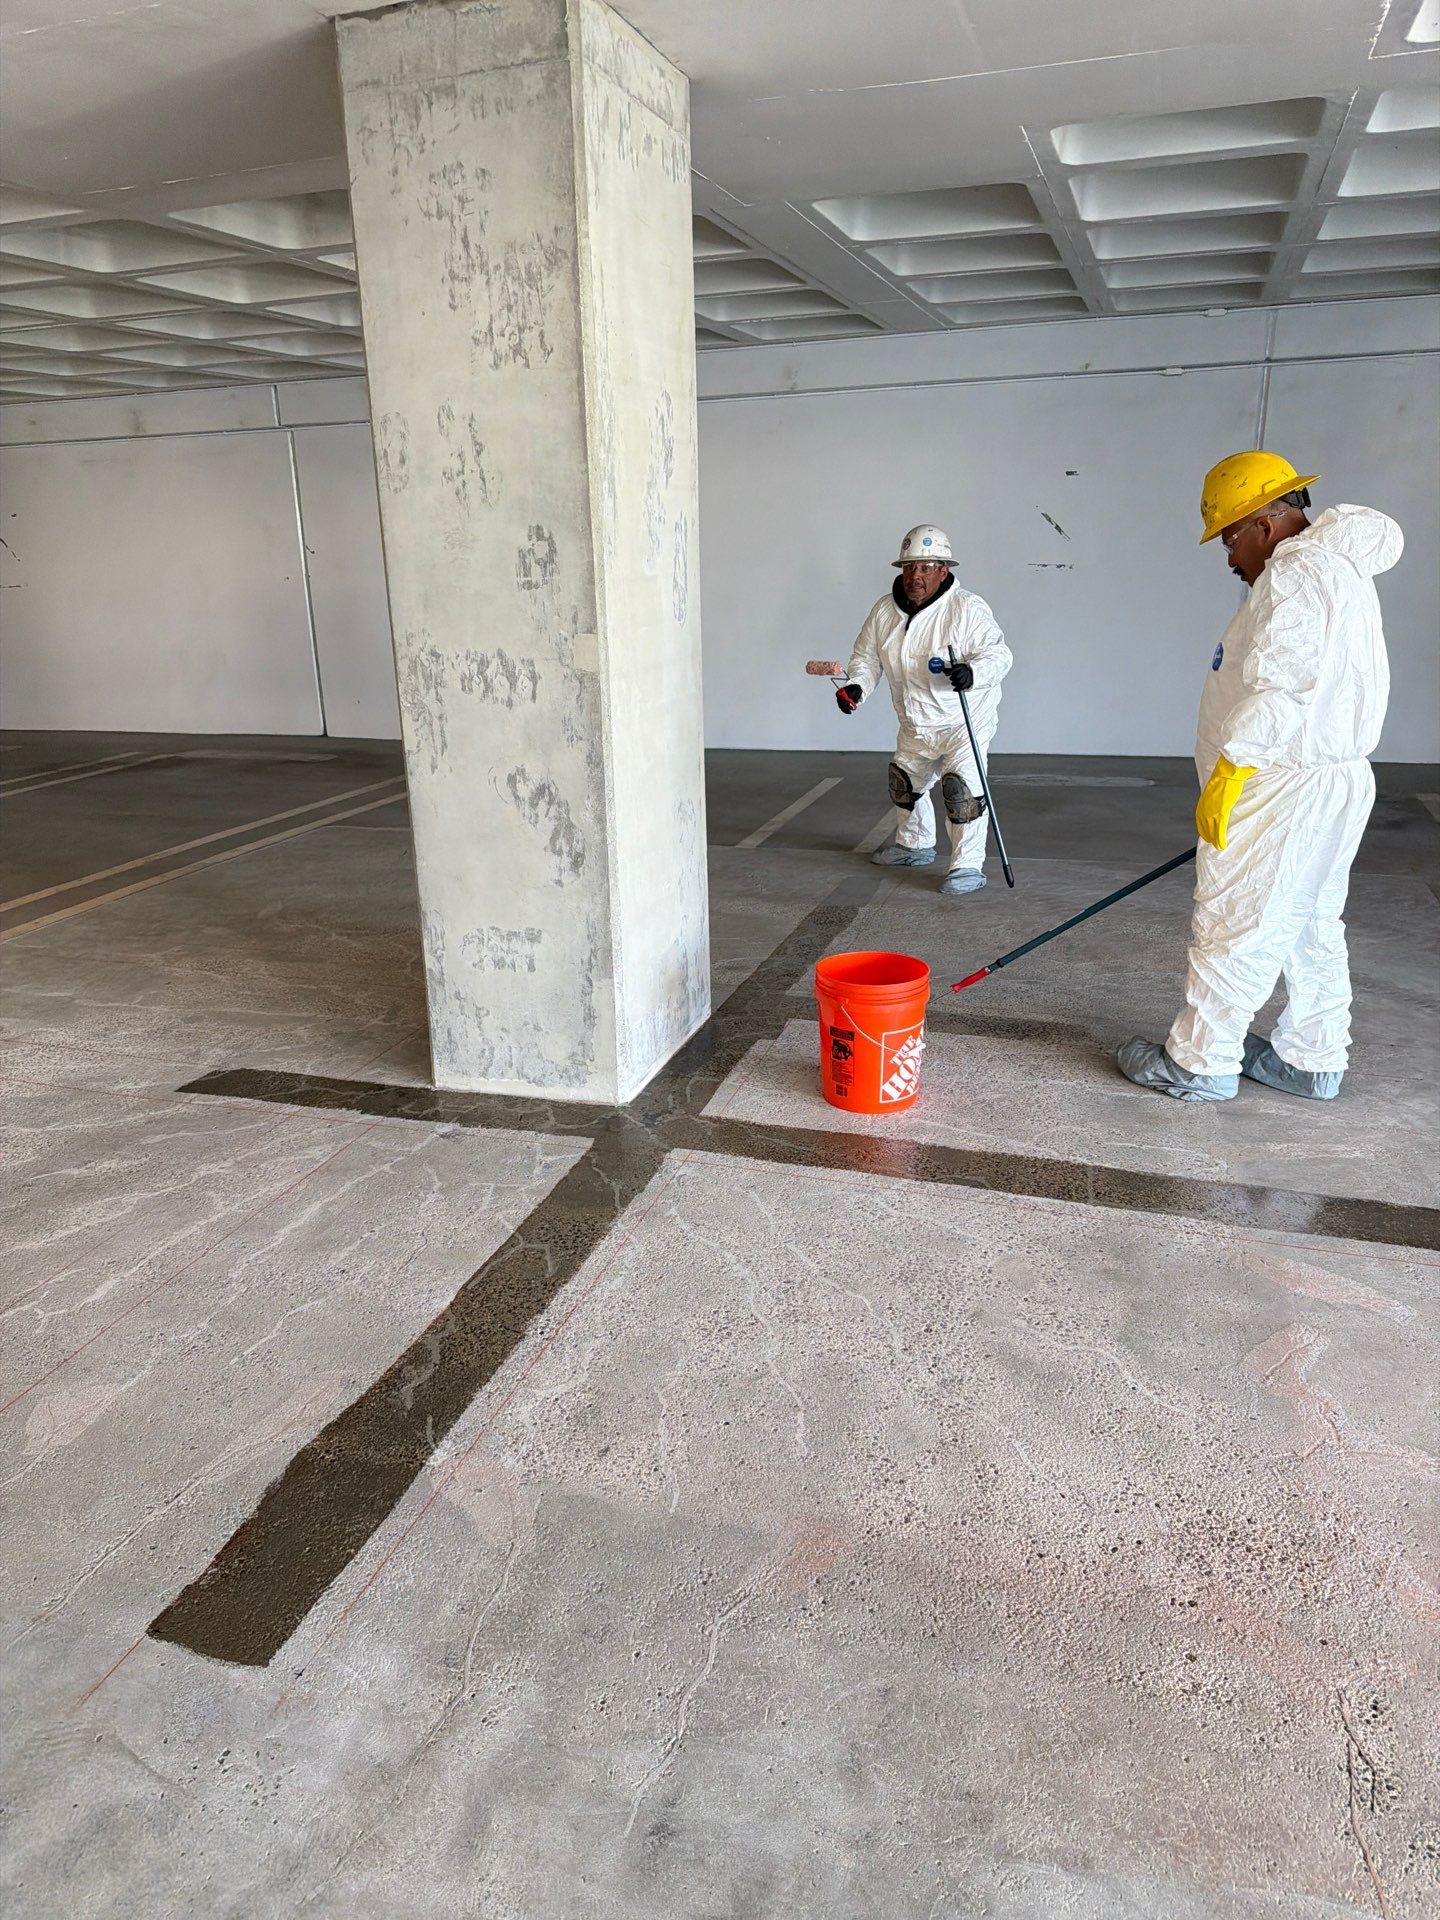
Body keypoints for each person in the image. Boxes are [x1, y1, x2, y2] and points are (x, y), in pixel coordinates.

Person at [1119, 451, 1402, 1103]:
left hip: (1279, 779)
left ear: (1264, 525)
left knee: (1236, 916)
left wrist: (1233, 768)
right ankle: (1312, 1056)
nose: (1228, 558)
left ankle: (1200, 1060)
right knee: (1308, 919)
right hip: (1330, 779)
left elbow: (1285, 687)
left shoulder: (1295, 574)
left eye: (1228, 536)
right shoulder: (1338, 571)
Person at [836, 524, 1012, 896]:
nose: (916, 575)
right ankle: (914, 847)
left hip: (963, 721)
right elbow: (866, 658)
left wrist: (973, 672)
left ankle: (966, 866)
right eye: (910, 567)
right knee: (904, 783)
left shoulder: (967, 609)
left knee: (961, 793)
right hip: (915, 721)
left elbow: (999, 654)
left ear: (943, 570)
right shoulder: (885, 611)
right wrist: (856, 688)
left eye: (927, 567)